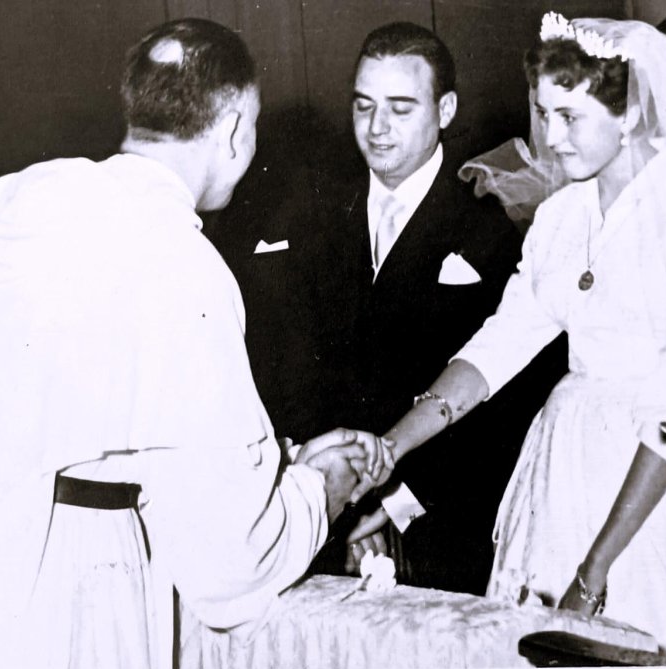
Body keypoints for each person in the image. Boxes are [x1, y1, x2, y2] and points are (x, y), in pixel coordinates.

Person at [0, 19, 388, 669]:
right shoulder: (181, 263)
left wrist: (278, 462)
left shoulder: (29, 210)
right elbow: (229, 559)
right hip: (67, 596)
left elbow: (88, 429)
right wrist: (317, 490)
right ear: (235, 127)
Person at [369, 12, 666, 657]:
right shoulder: (562, 214)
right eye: (543, 114)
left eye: (571, 118)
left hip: (660, 486)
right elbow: (501, 343)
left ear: (628, 116)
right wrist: (390, 445)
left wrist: (594, 572)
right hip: (567, 467)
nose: (550, 138)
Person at [228, 21, 564, 595]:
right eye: (364, 107)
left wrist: (398, 501)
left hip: (446, 525)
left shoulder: (494, 224)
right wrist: (336, 498)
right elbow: (286, 368)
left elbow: (514, 397)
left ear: (447, 108)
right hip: (325, 523)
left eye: (401, 109)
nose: (377, 130)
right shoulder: (309, 214)